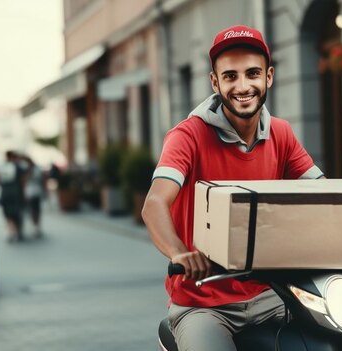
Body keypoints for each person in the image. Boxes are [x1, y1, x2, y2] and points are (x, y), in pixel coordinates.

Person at [141, 25, 328, 351]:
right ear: (215, 82)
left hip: (270, 295)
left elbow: (326, 195)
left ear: (268, 77)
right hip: (203, 303)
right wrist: (179, 252)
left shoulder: (281, 133)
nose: (243, 86)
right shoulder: (188, 136)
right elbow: (154, 202)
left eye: (252, 73)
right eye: (230, 76)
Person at [0, 150, 26, 242]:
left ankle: (11, 231)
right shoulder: (17, 167)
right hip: (16, 193)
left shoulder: (1, 167)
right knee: (16, 213)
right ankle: (16, 231)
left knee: (8, 214)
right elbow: (23, 181)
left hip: (5, 193)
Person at [23, 155, 47, 237]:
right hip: (35, 192)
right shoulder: (35, 169)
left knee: (34, 210)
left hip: (32, 192)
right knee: (35, 210)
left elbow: (43, 180)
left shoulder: (31, 170)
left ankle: (36, 227)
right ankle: (36, 227)